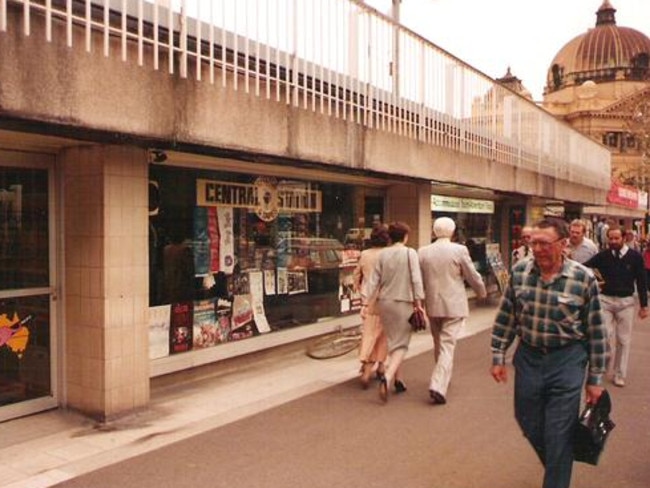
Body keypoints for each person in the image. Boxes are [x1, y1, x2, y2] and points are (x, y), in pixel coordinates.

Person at [490, 217, 607, 488]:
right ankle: (560, 461)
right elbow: (506, 317)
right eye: (533, 243)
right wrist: (498, 356)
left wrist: (595, 378)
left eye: (544, 243)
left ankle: (556, 477)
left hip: (567, 361)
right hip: (529, 357)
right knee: (527, 420)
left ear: (564, 244)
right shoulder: (519, 272)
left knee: (558, 432)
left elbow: (597, 331)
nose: (538, 249)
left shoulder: (583, 278)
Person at [418, 217, 486, 405]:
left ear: (434, 231)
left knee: (438, 342)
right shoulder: (459, 250)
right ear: (453, 231)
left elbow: (418, 279)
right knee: (448, 344)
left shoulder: (423, 252)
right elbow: (472, 274)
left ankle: (442, 377)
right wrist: (481, 291)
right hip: (454, 303)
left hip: (432, 302)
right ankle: (438, 384)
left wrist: (418, 301)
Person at [362, 221, 425, 403]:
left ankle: (399, 380)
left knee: (393, 341)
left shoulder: (383, 254)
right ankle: (388, 377)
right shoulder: (409, 253)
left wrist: (366, 302)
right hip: (403, 301)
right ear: (405, 236)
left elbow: (373, 281)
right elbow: (416, 279)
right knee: (402, 344)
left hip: (384, 302)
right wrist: (419, 303)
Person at [584, 225, 648, 387]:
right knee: (604, 335)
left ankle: (619, 374)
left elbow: (641, 280)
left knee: (623, 340)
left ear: (624, 238)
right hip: (605, 300)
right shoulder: (603, 256)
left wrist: (644, 306)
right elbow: (584, 267)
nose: (613, 241)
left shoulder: (635, 257)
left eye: (616, 238)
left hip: (626, 302)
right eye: (610, 238)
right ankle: (604, 362)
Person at [353, 225, 390, 388]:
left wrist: (361, 293)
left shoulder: (365, 254)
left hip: (369, 300)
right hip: (388, 298)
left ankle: (367, 367)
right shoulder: (389, 254)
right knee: (384, 334)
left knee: (369, 333)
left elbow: (357, 276)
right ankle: (381, 366)